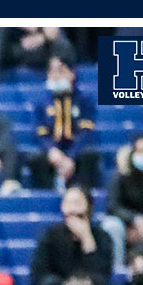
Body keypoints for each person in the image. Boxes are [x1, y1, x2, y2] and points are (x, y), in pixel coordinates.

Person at [29, 188, 113, 285]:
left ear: (89, 207)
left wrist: (87, 241)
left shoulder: (102, 237)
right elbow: (39, 272)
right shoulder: (51, 235)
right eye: (68, 203)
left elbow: (103, 273)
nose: (72, 210)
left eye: (77, 203)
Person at [27, 56, 100, 191]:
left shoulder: (84, 100)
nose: (55, 76)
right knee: (35, 159)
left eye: (60, 71)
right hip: (53, 150)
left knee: (89, 155)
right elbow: (40, 132)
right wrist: (52, 151)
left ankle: (83, 193)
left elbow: (86, 131)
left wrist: (71, 157)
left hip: (76, 149)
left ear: (72, 74)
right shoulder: (41, 103)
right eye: (51, 71)